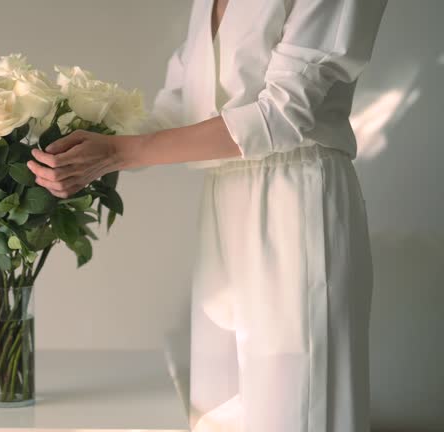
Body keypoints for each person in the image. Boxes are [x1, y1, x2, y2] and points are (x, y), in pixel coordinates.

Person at [27, 0, 388, 431]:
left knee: (294, 402)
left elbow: (285, 112)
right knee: (218, 408)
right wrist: (75, 150)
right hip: (222, 199)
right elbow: (176, 109)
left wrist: (116, 153)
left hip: (295, 199)